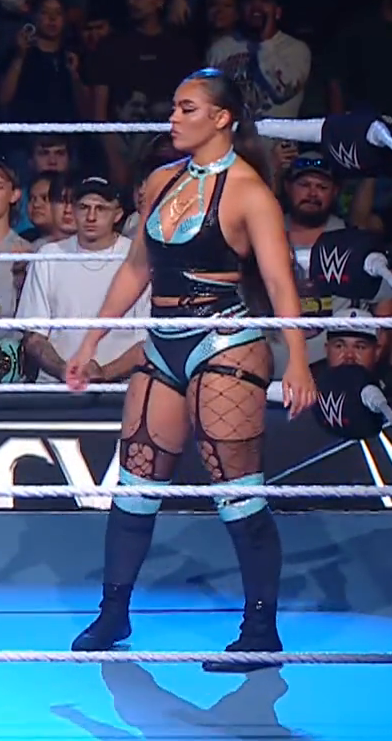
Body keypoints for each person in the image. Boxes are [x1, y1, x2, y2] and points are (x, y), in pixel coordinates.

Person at [63, 68, 318, 671]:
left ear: (221, 118)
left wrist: (298, 359)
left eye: (186, 109)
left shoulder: (250, 192)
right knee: (136, 481)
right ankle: (114, 612)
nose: (173, 119)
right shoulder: (160, 181)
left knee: (236, 490)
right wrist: (91, 339)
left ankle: (261, 630)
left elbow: (279, 279)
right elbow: (136, 268)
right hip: (163, 340)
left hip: (225, 341)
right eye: (174, 108)